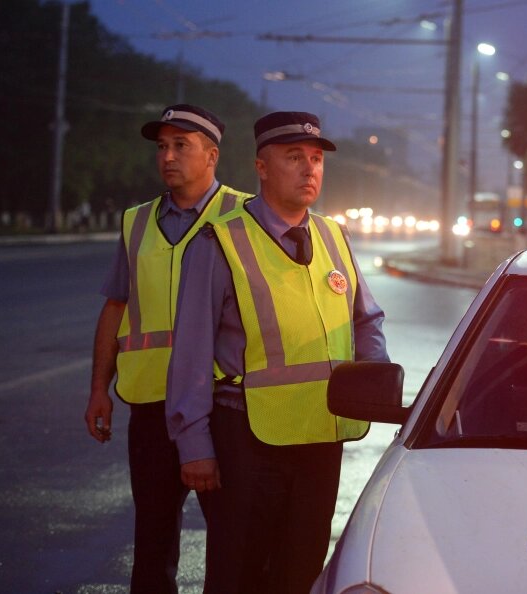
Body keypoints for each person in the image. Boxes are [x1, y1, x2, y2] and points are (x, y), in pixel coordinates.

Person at [166, 111, 389, 593]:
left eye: (315, 159)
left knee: (301, 571)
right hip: (247, 440)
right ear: (262, 168)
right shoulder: (219, 242)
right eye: (294, 158)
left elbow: (365, 320)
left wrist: (373, 383)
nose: (310, 170)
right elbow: (190, 353)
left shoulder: (333, 236)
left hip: (319, 440)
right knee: (237, 574)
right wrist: (195, 446)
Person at [84, 104, 250, 593]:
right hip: (151, 405)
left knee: (231, 540)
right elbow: (115, 308)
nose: (168, 156)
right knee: (152, 541)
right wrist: (99, 388)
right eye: (162, 147)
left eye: (182, 146)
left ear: (212, 155)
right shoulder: (135, 223)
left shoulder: (244, 217)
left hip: (223, 407)